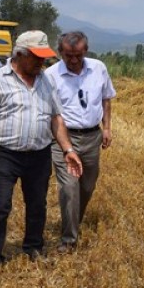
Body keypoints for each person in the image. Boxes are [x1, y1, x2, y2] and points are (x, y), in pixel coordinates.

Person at [0, 30, 83, 264]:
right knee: (1, 204)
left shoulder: (47, 81)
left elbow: (56, 119)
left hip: (39, 154)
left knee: (37, 204)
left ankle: (33, 247)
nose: (41, 62)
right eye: (36, 57)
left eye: (44, 57)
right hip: (5, 154)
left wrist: (68, 150)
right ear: (20, 54)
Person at [44, 31, 116, 252]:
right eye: (68, 55)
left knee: (87, 185)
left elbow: (106, 98)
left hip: (92, 136)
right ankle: (69, 239)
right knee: (69, 186)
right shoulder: (50, 75)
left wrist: (107, 128)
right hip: (63, 137)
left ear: (86, 51)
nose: (73, 60)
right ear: (60, 53)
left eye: (78, 55)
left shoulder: (98, 68)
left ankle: (73, 219)